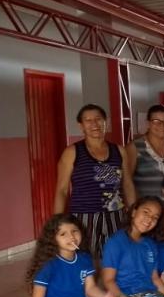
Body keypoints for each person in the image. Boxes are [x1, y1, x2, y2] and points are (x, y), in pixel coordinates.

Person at [54, 104, 135, 265]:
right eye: (88, 120)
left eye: (98, 119)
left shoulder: (119, 151)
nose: (94, 124)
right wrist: (56, 223)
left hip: (115, 216)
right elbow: (62, 190)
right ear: (81, 125)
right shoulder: (72, 152)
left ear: (106, 122)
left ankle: (114, 290)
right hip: (83, 217)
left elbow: (127, 184)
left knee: (117, 261)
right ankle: (88, 290)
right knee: (84, 262)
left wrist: (134, 214)